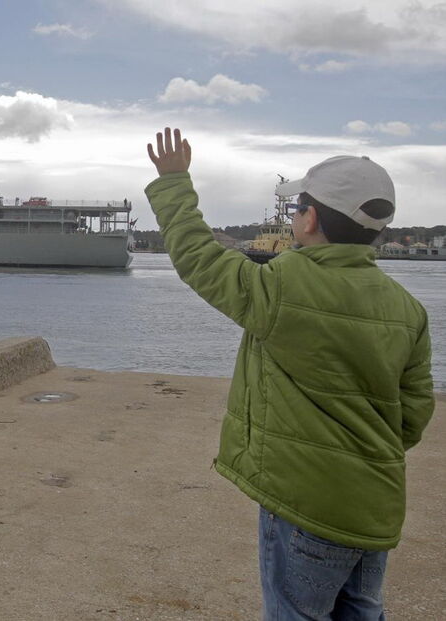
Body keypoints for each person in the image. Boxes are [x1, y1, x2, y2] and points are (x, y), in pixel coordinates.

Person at [144, 127, 434, 620]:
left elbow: (199, 260)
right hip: (375, 504)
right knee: (362, 611)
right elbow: (414, 414)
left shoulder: (281, 284)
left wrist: (174, 184)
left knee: (294, 611)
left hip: (305, 504)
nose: (294, 214)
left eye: (297, 206)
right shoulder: (408, 309)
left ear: (310, 219)